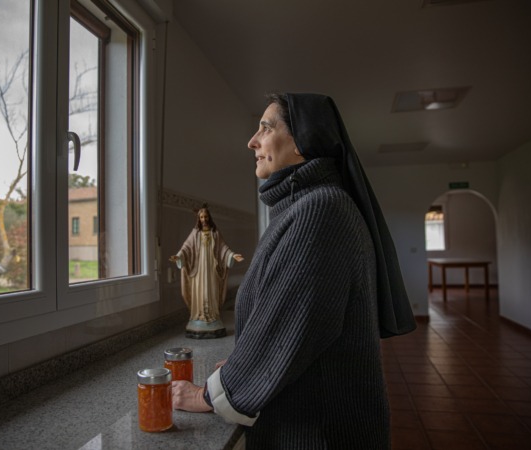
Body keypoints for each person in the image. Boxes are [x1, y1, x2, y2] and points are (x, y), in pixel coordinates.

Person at [172, 93, 416, 449]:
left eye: (265, 128)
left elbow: (286, 323)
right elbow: (296, 322)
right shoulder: (309, 205)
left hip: (319, 433)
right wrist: (245, 363)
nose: (251, 142)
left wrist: (205, 396)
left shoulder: (320, 210)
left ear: (302, 141)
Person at [170, 205, 244, 338]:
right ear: (198, 218)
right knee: (200, 292)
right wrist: (179, 256)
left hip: (211, 269)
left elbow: (223, 249)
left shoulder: (215, 233)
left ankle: (213, 317)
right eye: (201, 217)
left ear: (209, 217)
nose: (204, 219)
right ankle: (198, 317)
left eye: (206, 216)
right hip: (198, 270)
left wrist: (232, 256)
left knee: (211, 291)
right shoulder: (195, 233)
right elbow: (186, 247)